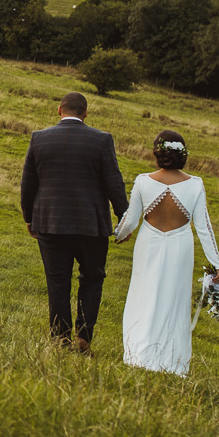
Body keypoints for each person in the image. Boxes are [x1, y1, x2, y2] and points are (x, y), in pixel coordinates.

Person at [19, 91, 127, 352]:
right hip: (92, 225)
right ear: (86, 112)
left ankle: (60, 338)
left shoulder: (39, 138)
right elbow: (114, 183)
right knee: (92, 279)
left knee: (57, 281)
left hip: (51, 223)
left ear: (59, 110)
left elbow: (28, 184)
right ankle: (84, 337)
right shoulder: (101, 140)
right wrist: (124, 218)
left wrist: (30, 219)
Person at [111, 129, 219, 377]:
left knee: (144, 294)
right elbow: (204, 228)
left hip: (149, 243)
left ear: (157, 152)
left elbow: (131, 221)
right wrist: (217, 264)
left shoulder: (143, 180)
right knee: (175, 298)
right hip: (180, 247)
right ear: (183, 154)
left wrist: (119, 235)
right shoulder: (195, 185)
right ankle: (171, 359)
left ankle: (138, 354)